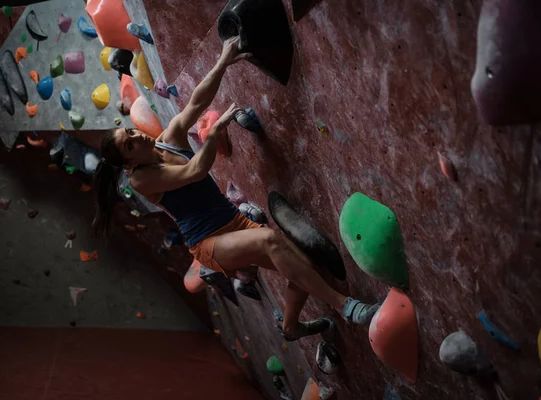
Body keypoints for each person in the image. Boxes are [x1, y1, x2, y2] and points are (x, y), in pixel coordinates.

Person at [93, 37, 378, 341]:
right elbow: (194, 170)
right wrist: (213, 134)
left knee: (302, 268)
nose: (137, 137)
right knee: (270, 239)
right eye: (130, 144)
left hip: (234, 221)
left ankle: (290, 327)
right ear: (128, 163)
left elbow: (196, 102)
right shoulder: (141, 179)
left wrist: (223, 61)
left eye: (130, 132)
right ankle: (347, 307)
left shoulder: (168, 137)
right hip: (209, 242)